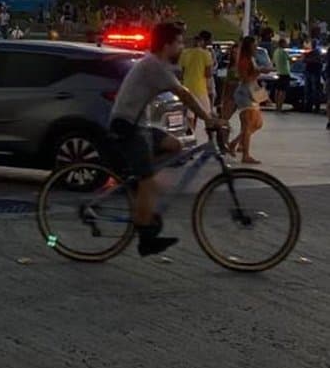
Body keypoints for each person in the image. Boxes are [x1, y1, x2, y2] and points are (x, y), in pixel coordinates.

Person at [107, 22, 223, 256]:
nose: (181, 47)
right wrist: (208, 118)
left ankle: (140, 180)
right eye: (179, 42)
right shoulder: (154, 66)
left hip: (140, 125)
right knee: (148, 181)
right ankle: (145, 236)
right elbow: (184, 94)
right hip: (128, 126)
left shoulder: (157, 64)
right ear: (167, 44)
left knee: (175, 145)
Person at [232, 35, 268, 164]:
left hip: (251, 91)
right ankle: (245, 154)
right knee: (248, 125)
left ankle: (234, 143)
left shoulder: (251, 59)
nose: (256, 47)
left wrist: (262, 94)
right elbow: (245, 78)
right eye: (254, 45)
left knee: (257, 123)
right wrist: (258, 72)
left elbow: (252, 79)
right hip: (245, 93)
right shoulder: (244, 60)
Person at [179, 30, 215, 131]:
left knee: (190, 116)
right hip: (200, 88)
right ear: (201, 42)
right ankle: (211, 137)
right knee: (207, 115)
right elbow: (208, 74)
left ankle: (191, 135)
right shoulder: (206, 54)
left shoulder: (184, 53)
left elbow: (181, 72)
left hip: (187, 88)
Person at [271, 36, 292, 112]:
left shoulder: (276, 51)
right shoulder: (283, 51)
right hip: (285, 73)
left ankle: (277, 106)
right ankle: (280, 106)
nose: (287, 44)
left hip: (278, 72)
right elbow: (290, 59)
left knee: (277, 90)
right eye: (285, 43)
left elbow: (273, 62)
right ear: (282, 44)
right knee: (282, 91)